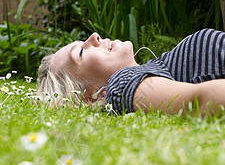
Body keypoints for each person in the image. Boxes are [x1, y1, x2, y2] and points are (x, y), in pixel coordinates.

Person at [37, 28, 225, 116]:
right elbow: (198, 101)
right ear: (88, 98)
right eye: (80, 52)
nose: (94, 37)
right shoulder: (122, 83)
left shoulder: (154, 69)